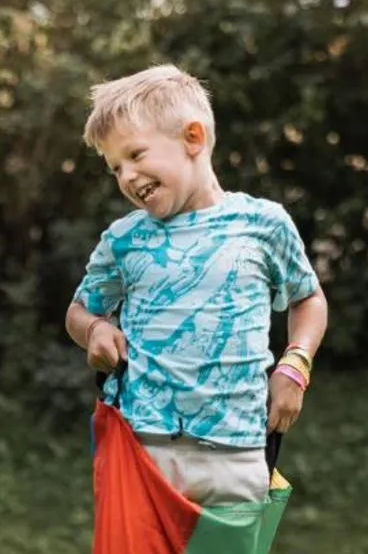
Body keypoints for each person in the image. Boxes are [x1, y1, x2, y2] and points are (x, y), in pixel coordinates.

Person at [63, 64, 328, 504]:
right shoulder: (125, 240)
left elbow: (308, 298)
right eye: (115, 167)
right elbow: (78, 311)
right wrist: (94, 329)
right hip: (143, 448)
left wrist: (295, 366)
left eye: (136, 154)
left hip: (239, 450)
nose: (126, 175)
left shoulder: (263, 224)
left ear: (193, 138)